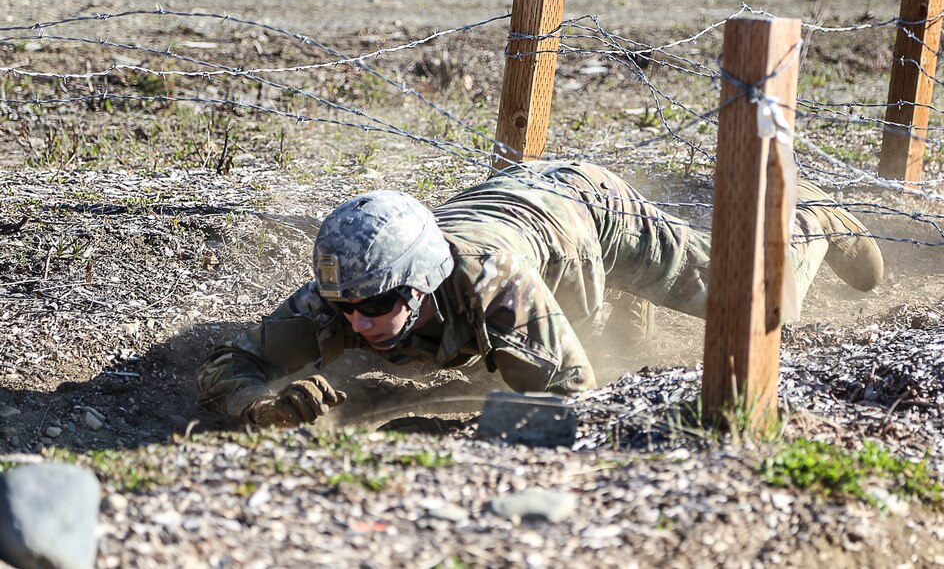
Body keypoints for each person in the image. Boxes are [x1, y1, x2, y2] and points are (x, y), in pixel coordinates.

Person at [195, 160, 883, 428]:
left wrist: (426, 420)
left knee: (760, 302)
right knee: (619, 336)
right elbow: (230, 364)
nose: (357, 322)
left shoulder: (496, 291)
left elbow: (570, 398)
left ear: (425, 279)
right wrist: (259, 404)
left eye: (376, 307)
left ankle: (812, 218)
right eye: (346, 309)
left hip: (589, 212)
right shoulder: (351, 282)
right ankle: (621, 305)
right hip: (511, 211)